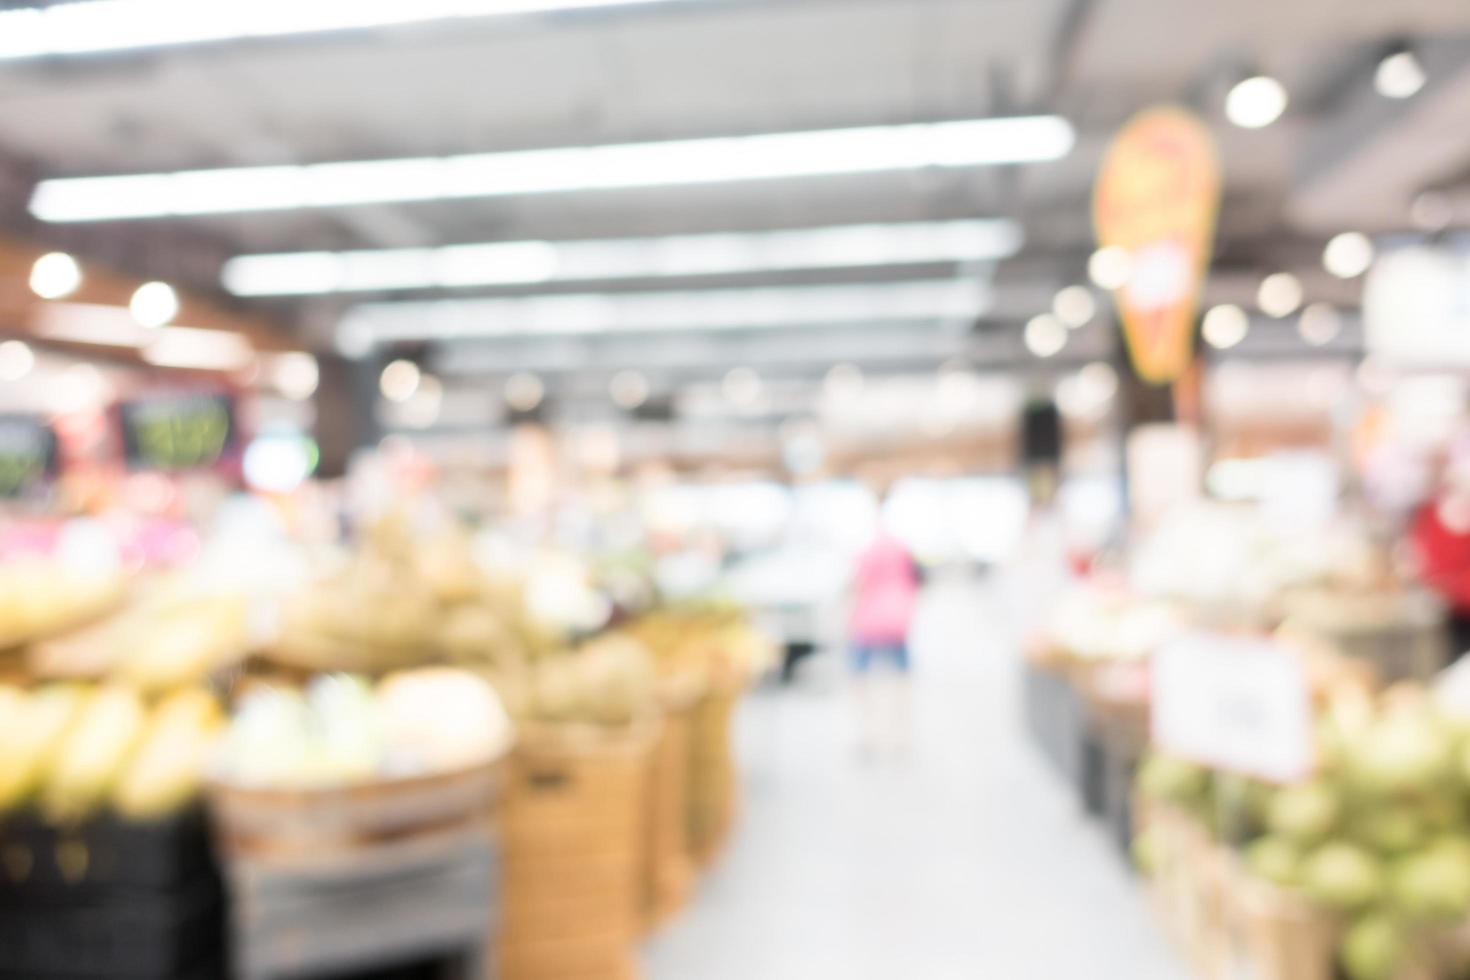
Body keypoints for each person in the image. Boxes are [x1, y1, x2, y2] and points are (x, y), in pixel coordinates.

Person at [848, 511, 922, 757]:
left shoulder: (867, 550)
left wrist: (849, 615)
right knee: (901, 680)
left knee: (863, 681)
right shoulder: (902, 549)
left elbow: (858, 584)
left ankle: (870, 734)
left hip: (868, 622)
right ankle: (900, 736)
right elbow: (917, 581)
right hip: (897, 621)